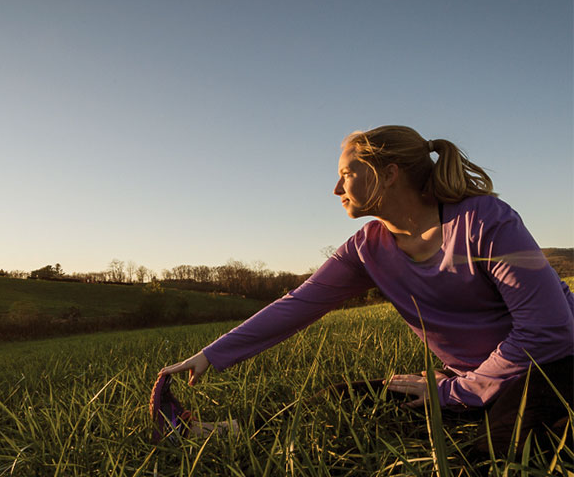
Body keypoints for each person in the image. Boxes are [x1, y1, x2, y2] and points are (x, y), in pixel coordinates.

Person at [159, 125, 574, 456]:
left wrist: (455, 391)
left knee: (500, 449)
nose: (336, 190)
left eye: (345, 175)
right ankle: (232, 433)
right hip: (466, 378)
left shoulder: (484, 221)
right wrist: (210, 355)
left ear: (388, 173)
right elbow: (299, 304)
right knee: (341, 399)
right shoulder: (366, 248)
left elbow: (550, 332)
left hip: (552, 366)